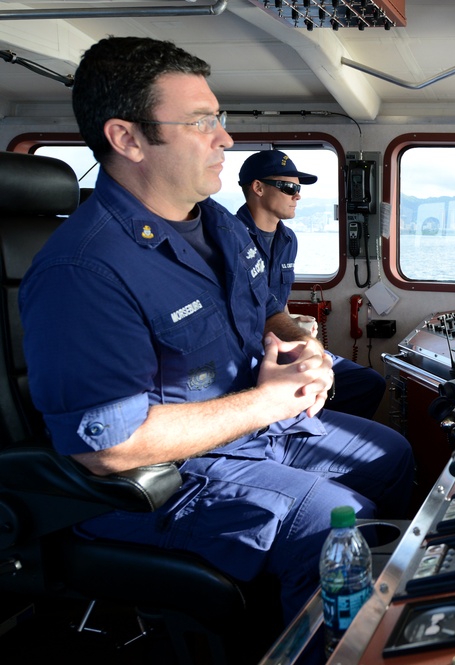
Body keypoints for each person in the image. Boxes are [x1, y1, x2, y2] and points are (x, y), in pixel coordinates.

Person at [18, 36, 414, 624]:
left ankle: (375, 613)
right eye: (202, 121)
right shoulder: (84, 270)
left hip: (251, 434)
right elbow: (107, 449)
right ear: (127, 138)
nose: (224, 138)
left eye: (219, 119)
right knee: (339, 521)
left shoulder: (219, 230)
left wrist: (304, 358)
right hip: (163, 478)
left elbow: (263, 316)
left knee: (394, 455)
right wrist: (267, 401)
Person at [235, 150, 387, 420]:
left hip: (282, 338)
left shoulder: (287, 239)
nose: (298, 195)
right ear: (258, 187)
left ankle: (318, 431)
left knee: (369, 383)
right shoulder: (231, 240)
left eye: (299, 188)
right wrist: (289, 334)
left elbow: (276, 303)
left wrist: (291, 317)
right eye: (289, 187)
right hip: (249, 350)